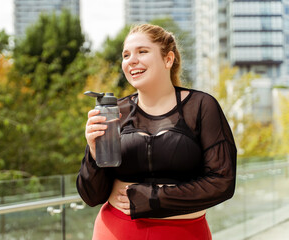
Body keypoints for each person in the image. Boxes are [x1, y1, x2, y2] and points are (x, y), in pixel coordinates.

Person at [76, 23, 237, 240]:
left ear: (168, 59)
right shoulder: (114, 113)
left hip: (185, 233)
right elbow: (92, 197)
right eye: (126, 55)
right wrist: (94, 155)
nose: (131, 60)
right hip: (116, 230)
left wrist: (154, 198)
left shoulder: (201, 106)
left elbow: (222, 182)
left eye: (142, 52)